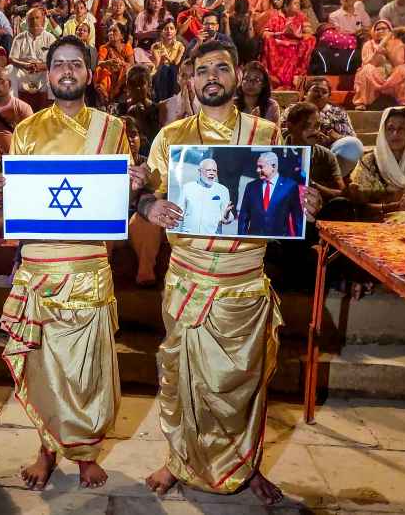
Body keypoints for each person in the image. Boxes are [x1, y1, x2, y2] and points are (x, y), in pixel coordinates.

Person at [137, 39, 321, 505]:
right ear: (190, 80)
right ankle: (179, 460)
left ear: (238, 76)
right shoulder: (171, 137)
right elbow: (143, 198)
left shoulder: (265, 133)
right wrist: (149, 204)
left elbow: (285, 196)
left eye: (222, 68)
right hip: (188, 279)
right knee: (181, 378)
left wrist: (306, 203)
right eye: (203, 70)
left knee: (245, 383)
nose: (212, 77)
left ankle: (247, 465)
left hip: (244, 284)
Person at [0, 35, 134, 490]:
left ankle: (86, 452)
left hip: (88, 263)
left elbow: (118, 199)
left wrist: (135, 183)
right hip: (40, 263)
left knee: (88, 368)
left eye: (75, 64)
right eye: (58, 65)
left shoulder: (113, 129)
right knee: (44, 366)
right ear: (46, 75)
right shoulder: (27, 130)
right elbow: (16, 203)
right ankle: (46, 449)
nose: (67, 72)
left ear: (89, 73)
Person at [348, 106, 405, 223]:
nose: (395, 133)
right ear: (383, 131)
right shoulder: (369, 161)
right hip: (379, 221)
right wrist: (396, 206)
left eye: (402, 129)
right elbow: (360, 206)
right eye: (390, 129)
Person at [284, 102, 346, 203]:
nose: (314, 131)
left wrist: (311, 184)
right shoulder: (276, 153)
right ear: (290, 127)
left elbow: (341, 192)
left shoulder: (326, 155)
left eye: (317, 126)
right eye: (306, 126)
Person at [237, 151, 304, 237]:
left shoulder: (290, 186)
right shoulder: (251, 187)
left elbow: (297, 218)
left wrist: (299, 241)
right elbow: (243, 217)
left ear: (273, 166)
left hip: (279, 242)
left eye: (261, 167)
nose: (257, 170)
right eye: (257, 166)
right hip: (255, 241)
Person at [354, 20, 405, 110]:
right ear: (373, 31)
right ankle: (362, 102)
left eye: (384, 28)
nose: (380, 31)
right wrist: (379, 49)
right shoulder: (368, 44)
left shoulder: (397, 43)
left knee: (403, 68)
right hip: (374, 76)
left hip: (392, 76)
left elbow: (398, 63)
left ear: (389, 31)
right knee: (366, 69)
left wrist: (387, 53)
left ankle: (402, 101)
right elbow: (369, 63)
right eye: (377, 29)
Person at [261, 0, 315, 89]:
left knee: (311, 40)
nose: (298, 6)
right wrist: (281, 33)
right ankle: (276, 79)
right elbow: (265, 33)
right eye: (295, 3)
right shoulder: (276, 17)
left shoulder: (302, 17)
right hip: (278, 48)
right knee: (268, 40)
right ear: (286, 6)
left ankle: (295, 77)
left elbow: (309, 34)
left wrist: (298, 35)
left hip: (296, 48)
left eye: (298, 4)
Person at [8, 7, 55, 110]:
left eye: (37, 18)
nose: (34, 21)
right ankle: (13, 105)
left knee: (53, 71)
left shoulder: (50, 38)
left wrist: (42, 66)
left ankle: (50, 106)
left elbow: (55, 61)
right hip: (24, 72)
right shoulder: (19, 38)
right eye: (31, 19)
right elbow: (12, 58)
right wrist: (24, 65)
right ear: (26, 22)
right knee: (10, 69)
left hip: (42, 73)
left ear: (43, 20)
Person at [175, 158, 233, 234]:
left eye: (214, 170)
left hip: (212, 239)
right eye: (208, 170)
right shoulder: (187, 188)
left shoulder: (223, 190)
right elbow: (179, 213)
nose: (212, 173)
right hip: (189, 237)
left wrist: (227, 217)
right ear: (199, 171)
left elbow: (227, 217)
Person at [94, 22, 133, 105]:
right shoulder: (104, 47)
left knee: (126, 69)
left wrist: (121, 63)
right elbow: (99, 63)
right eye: (109, 31)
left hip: (121, 78)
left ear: (122, 36)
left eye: (114, 31)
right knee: (100, 69)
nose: (111, 33)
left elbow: (131, 64)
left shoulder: (127, 47)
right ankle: (103, 96)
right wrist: (108, 63)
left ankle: (115, 93)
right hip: (109, 74)